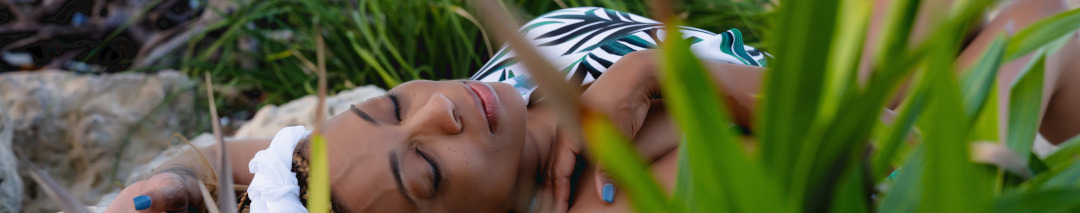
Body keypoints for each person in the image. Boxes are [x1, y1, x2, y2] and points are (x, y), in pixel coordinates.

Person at [106, 1, 1080, 212]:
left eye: (395, 102)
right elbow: (872, 153)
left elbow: (252, 165)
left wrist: (166, 182)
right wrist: (664, 75)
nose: (439, 113)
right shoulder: (619, 191)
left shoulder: (340, 165)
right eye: (427, 170)